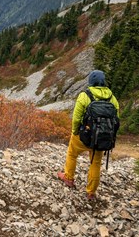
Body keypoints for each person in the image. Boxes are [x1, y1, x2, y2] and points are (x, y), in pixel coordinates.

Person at [57, 70, 119, 200]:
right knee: (96, 163)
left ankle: (68, 178)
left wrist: (75, 132)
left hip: (84, 135)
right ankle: (91, 192)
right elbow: (116, 121)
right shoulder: (112, 98)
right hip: (101, 139)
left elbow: (76, 118)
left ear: (91, 82)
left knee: (72, 154)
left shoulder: (85, 95)